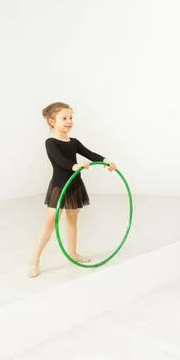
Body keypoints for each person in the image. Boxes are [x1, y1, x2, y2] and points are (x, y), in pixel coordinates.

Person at [28, 102, 116, 278]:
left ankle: (73, 253)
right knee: (51, 222)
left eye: (71, 118)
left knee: (72, 219)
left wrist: (107, 160)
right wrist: (75, 166)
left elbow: (90, 154)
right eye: (64, 118)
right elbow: (59, 160)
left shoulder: (74, 142)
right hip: (59, 186)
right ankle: (34, 261)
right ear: (52, 122)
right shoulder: (51, 143)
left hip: (74, 186)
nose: (69, 121)